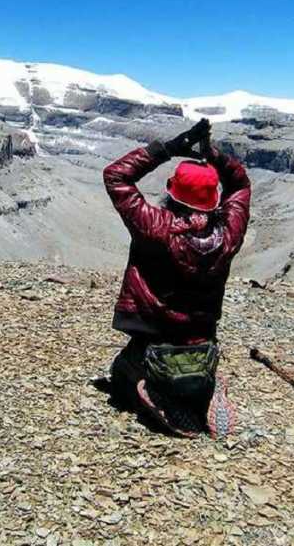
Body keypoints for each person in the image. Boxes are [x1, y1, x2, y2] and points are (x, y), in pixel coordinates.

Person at [103, 118, 251, 438]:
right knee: (191, 357)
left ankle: (156, 392)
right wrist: (215, 157)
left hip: (154, 332)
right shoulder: (228, 234)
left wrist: (166, 149)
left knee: (121, 374)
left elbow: (116, 176)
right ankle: (203, 388)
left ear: (172, 193)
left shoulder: (155, 226)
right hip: (202, 335)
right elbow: (239, 186)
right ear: (214, 200)